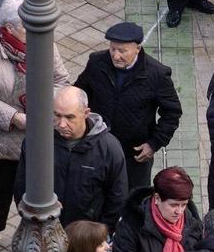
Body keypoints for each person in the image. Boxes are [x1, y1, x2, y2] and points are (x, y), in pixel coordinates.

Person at [0, 0, 64, 252]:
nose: (33, 31)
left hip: (41, 134)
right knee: (0, 186)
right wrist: (15, 118)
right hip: (3, 137)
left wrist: (44, 105)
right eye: (26, 26)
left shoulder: (46, 45)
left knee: (39, 188)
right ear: (9, 28)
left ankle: (36, 234)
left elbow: (61, 80)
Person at [75, 20, 182, 203]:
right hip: (97, 147)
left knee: (133, 201)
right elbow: (79, 93)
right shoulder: (96, 62)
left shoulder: (157, 74)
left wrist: (154, 143)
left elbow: (172, 112)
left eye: (122, 51)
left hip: (134, 156)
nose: (116, 56)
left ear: (137, 49)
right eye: (112, 49)